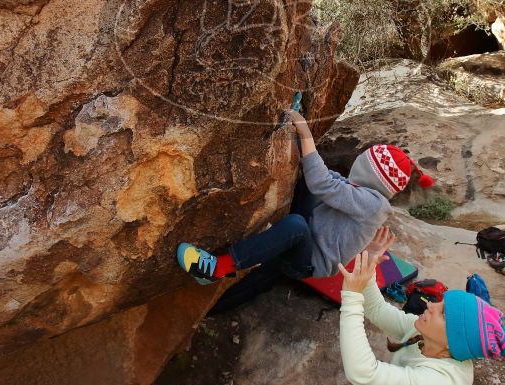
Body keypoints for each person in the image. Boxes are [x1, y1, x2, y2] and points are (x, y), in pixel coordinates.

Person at [176, 109, 434, 284]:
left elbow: (323, 183)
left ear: (372, 174)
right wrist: (296, 137)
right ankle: (271, 241)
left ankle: (216, 269)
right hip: (310, 233)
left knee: (296, 226)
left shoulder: (373, 205)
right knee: (306, 189)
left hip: (308, 263)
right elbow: (329, 178)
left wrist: (305, 134)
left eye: (363, 162)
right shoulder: (366, 192)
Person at [338, 228, 505, 385]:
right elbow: (377, 309)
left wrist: (351, 297)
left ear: (452, 342)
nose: (430, 305)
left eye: (443, 314)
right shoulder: (423, 335)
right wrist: (368, 268)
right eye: (440, 303)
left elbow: (364, 373)